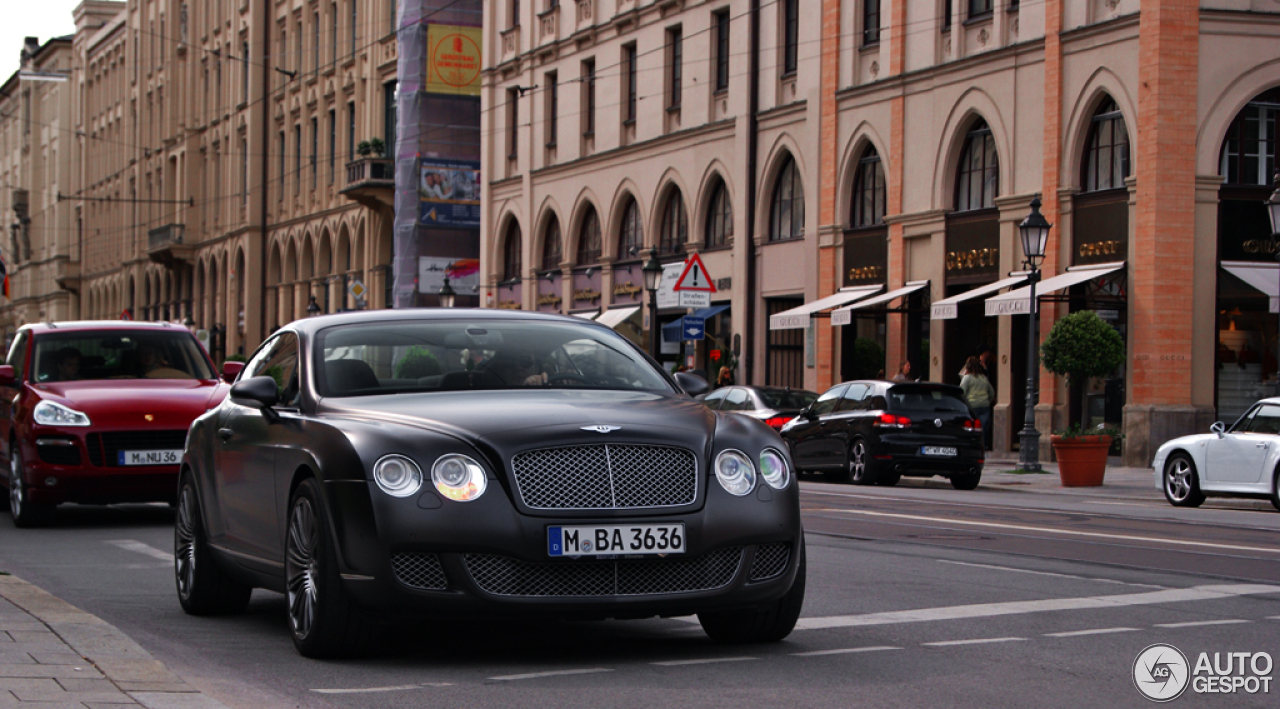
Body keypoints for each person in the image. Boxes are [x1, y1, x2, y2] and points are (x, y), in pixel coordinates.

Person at [960, 355, 995, 451]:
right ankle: (982, 446)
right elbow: (992, 393)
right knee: (983, 428)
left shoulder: (967, 378)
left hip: (972, 407)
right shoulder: (984, 378)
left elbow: (961, 393)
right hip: (985, 406)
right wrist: (987, 401)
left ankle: (972, 446)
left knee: (971, 428)